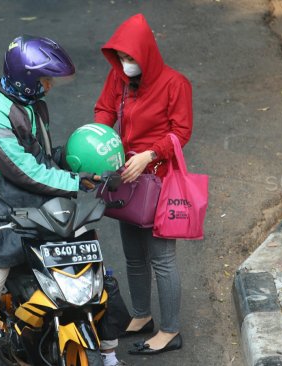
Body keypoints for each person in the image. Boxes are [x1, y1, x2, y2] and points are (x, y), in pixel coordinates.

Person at [0, 35, 123, 366]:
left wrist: (69, 160)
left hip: (43, 203)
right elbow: (25, 172)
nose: (49, 86)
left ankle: (109, 351)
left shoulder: (31, 103)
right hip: (3, 207)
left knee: (92, 274)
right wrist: (73, 180)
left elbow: (39, 158)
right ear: (26, 79)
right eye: (44, 79)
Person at [94, 13, 193, 355]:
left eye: (131, 58)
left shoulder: (174, 84)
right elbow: (104, 110)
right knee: (133, 255)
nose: (126, 64)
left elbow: (181, 132)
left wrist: (149, 154)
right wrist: (101, 141)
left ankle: (169, 330)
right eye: (121, 57)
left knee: (162, 258)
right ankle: (141, 316)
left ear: (147, 54)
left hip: (158, 182)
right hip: (125, 180)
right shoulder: (118, 78)